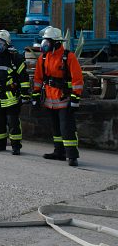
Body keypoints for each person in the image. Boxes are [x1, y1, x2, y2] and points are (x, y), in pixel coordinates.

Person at [31, 27, 83, 167]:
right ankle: (59, 152)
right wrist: (35, 96)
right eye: (44, 41)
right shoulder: (43, 57)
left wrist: (75, 98)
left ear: (56, 42)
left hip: (64, 98)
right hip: (49, 99)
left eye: (47, 41)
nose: (44, 44)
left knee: (67, 128)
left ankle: (72, 156)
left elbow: (77, 79)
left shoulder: (68, 57)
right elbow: (38, 78)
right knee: (56, 128)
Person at [0, 30, 30, 155]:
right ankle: (0, 145)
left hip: (12, 98)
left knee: (13, 123)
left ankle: (16, 146)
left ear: (7, 45)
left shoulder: (15, 59)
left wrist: (25, 94)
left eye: (1, 43)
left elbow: (24, 78)